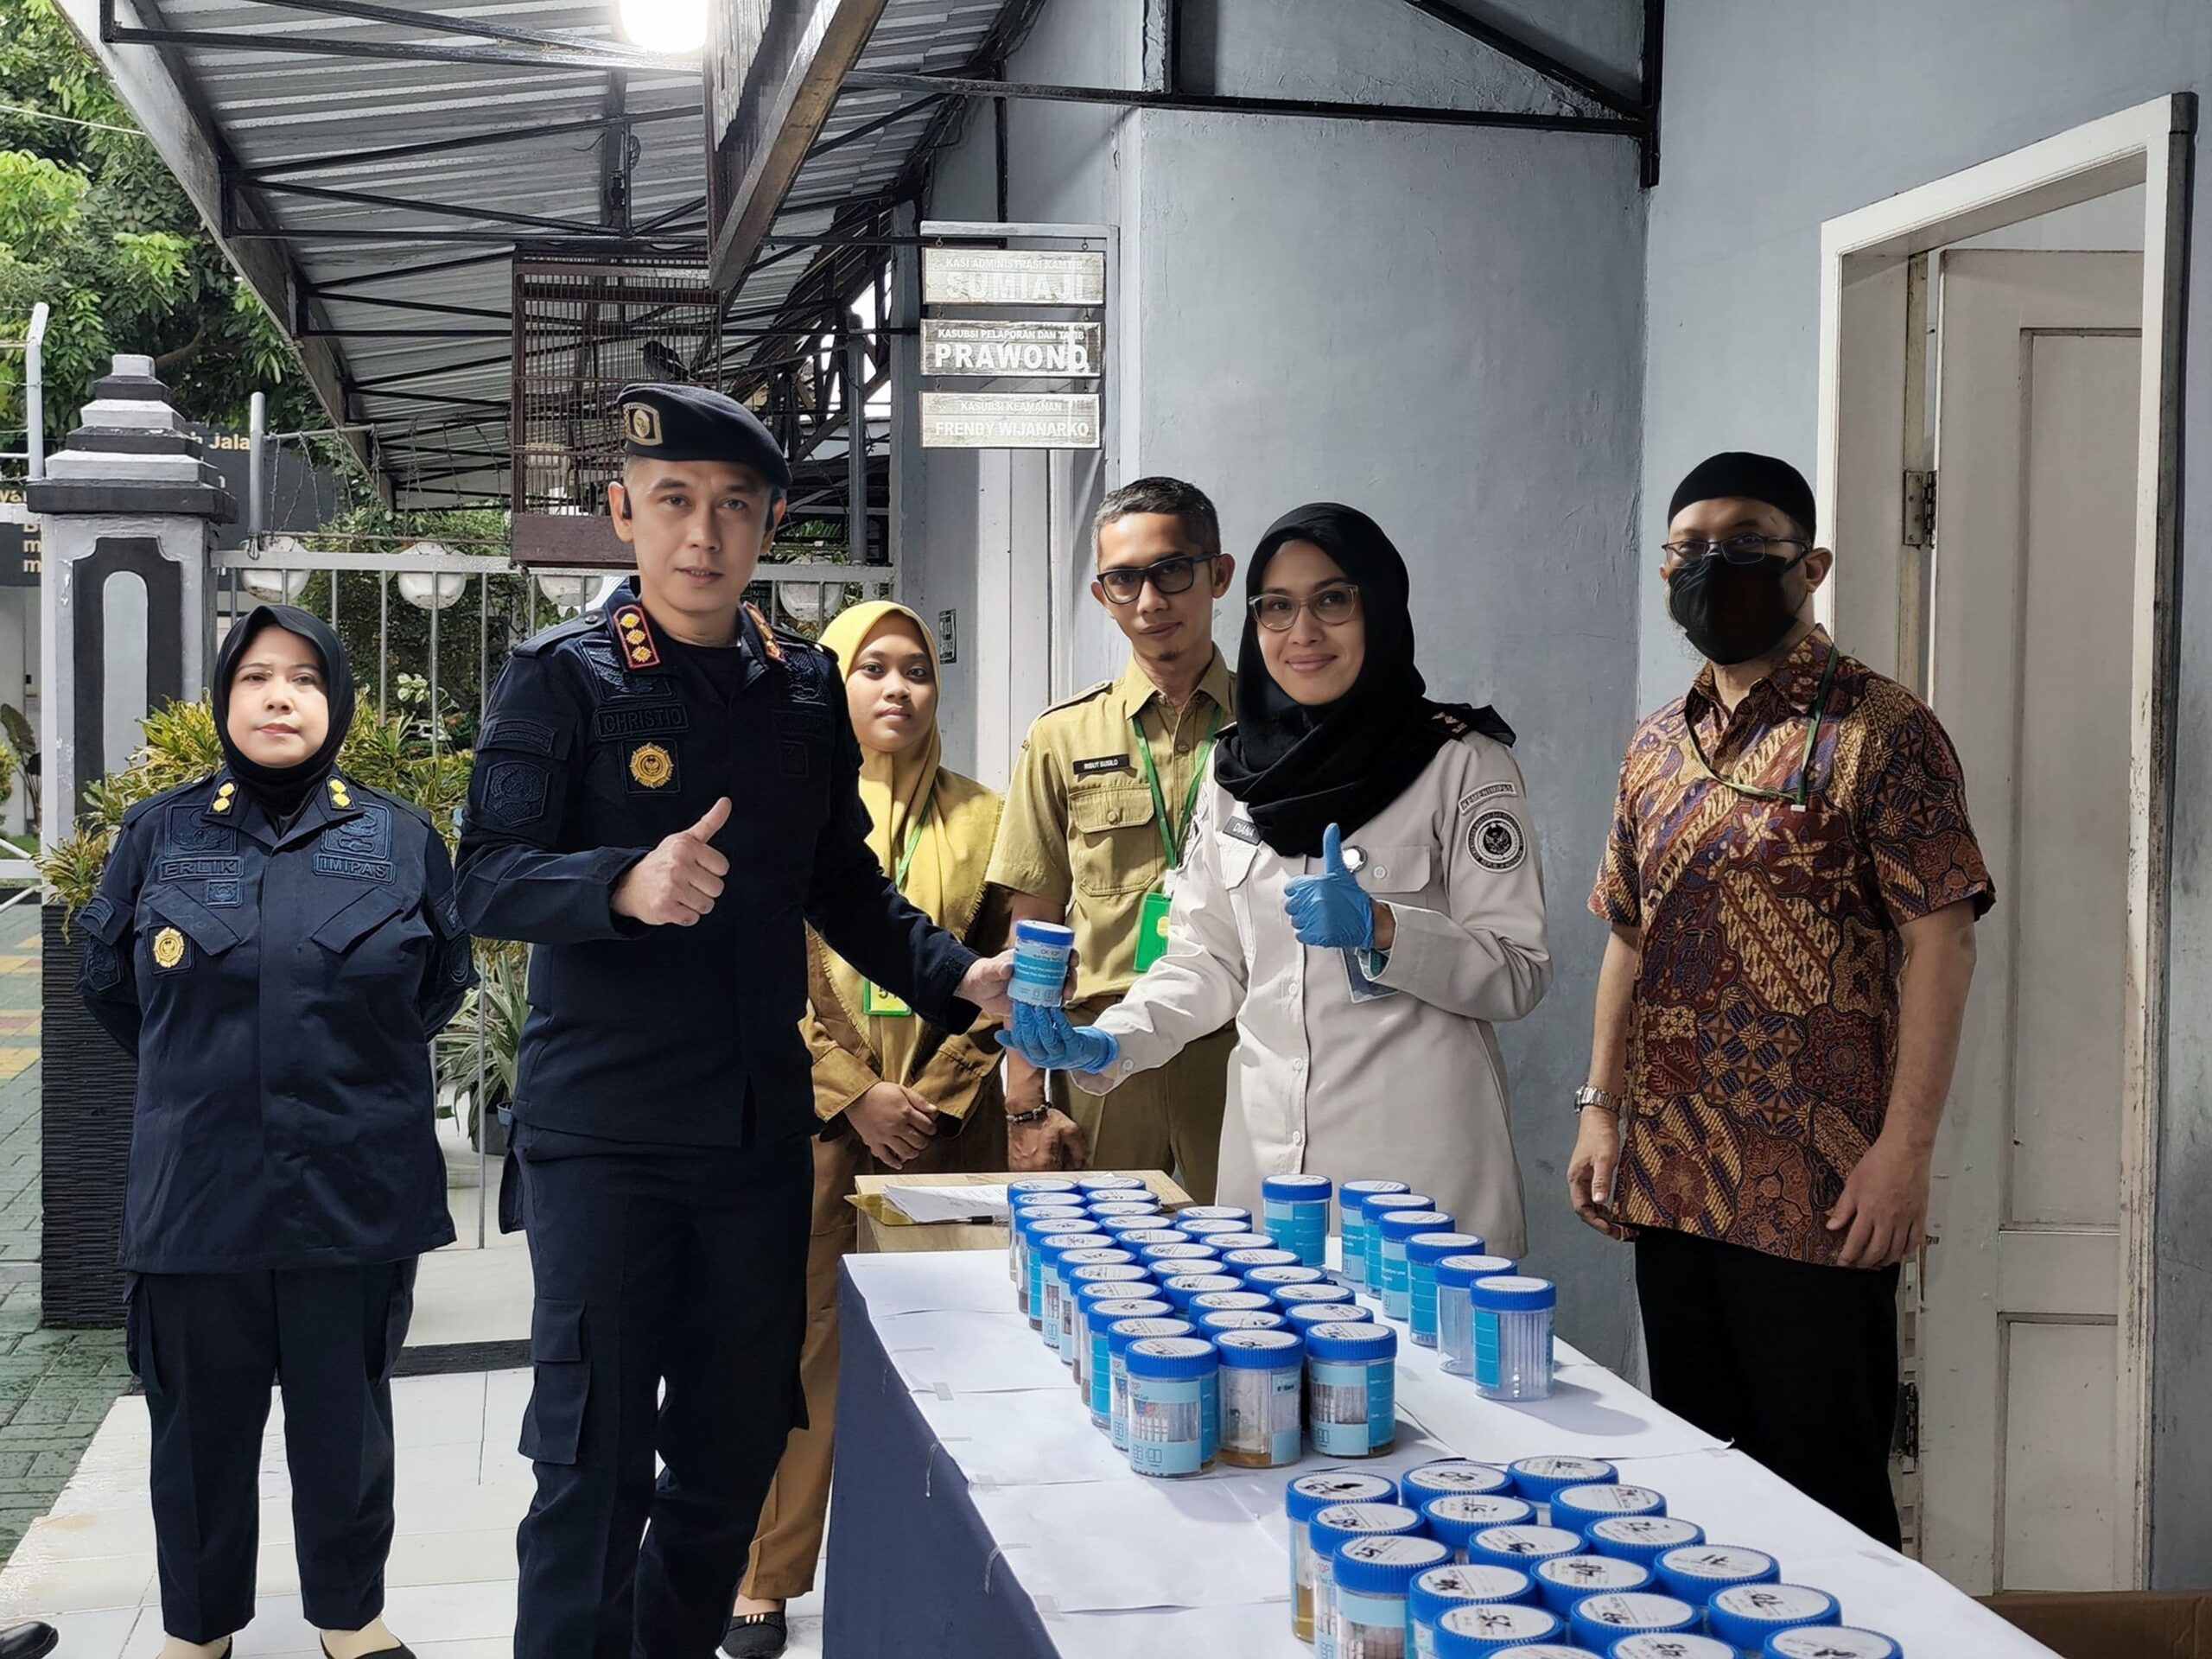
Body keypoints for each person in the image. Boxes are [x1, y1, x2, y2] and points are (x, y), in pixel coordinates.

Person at [454, 385, 1014, 1659]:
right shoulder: (560, 678)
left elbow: (840, 883)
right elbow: (481, 876)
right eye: (673, 503)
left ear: (768, 526)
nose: (701, 534)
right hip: (606, 1136)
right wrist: (620, 884)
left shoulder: (803, 688)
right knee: (592, 1465)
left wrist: (959, 976)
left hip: (758, 1138)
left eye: (732, 507)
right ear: (624, 515)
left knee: (730, 1452)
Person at [1569, 452, 1991, 1547]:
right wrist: (1600, 1109)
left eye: (1746, 542)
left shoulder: (1882, 731)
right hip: (1671, 1179)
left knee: (1826, 1497)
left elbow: (1941, 943)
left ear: (1811, 564)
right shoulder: (1656, 743)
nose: (1716, 565)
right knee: (1699, 1493)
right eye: (1690, 548)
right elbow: (1627, 934)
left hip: (1819, 1192)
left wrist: (1904, 1152)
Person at [77, 606, 476, 1659]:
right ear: (224, 700)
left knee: (345, 1427)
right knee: (196, 1434)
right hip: (198, 1190)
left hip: (353, 1189)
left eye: (303, 678)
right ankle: (198, 1630)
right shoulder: (159, 833)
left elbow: (437, 985)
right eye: (255, 677)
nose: (278, 697)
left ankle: (351, 1617)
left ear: (336, 700)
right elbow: (111, 985)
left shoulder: (400, 838)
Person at [999, 503, 1549, 1251]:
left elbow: (1518, 972)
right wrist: (1111, 1042)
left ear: (1380, 606)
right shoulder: (1235, 773)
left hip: (1418, 1184)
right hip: (1267, 1172)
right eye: (1277, 607)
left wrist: (1386, 928)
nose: (1303, 632)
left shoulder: (1461, 765)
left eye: (1333, 600)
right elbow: (1206, 961)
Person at [723, 600, 1012, 1658]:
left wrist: (937, 1090)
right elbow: (764, 964)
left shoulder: (990, 819)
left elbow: (1012, 972)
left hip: (950, 1133)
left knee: (956, 1345)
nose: (898, 688)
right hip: (818, 1128)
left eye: (917, 669)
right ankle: (766, 1574)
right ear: (830, 684)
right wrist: (854, 1091)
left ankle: (954, 1567)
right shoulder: (780, 812)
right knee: (802, 1353)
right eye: (872, 668)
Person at [986, 477, 1237, 1195]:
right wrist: (1026, 1100)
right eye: (1124, 580)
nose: (1150, 601)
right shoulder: (1062, 736)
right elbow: (1033, 925)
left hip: (1242, 1053)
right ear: (1103, 596)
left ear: (1219, 575)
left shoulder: (1278, 730)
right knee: (1099, 1252)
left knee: (1255, 1249)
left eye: (1172, 571)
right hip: (1100, 1051)